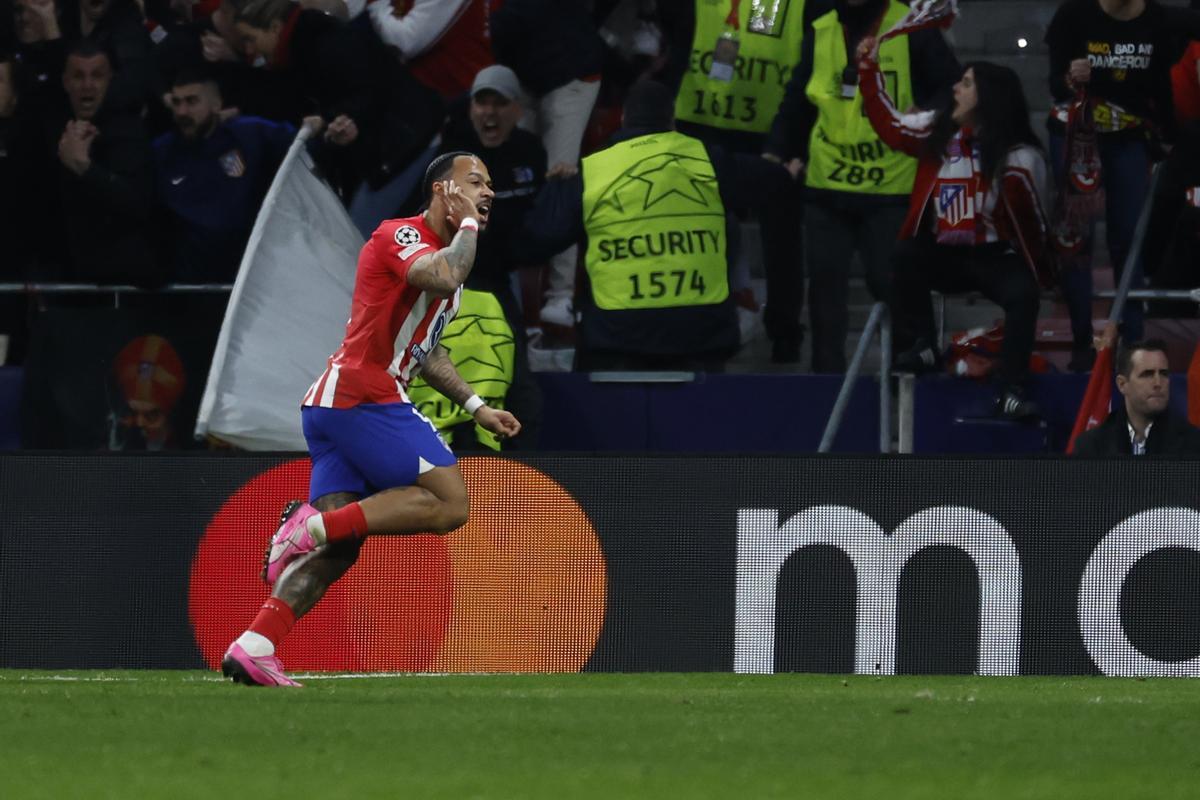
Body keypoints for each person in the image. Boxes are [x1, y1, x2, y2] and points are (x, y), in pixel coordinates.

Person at [221, 151, 521, 687]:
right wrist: (470, 222)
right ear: (440, 192)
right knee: (452, 504)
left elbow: (426, 353)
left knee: (342, 546)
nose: (488, 191)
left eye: (490, 185)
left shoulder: (442, 268)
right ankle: (305, 526)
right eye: (475, 182)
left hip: (339, 405)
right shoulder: (399, 235)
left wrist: (477, 407)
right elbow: (446, 270)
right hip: (363, 395)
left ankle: (254, 645)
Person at [521, 78, 798, 371]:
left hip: (616, 340)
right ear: (672, 120)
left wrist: (554, 189)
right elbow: (770, 182)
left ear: (624, 119)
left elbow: (536, 240)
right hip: (701, 339)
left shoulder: (592, 171)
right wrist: (785, 172)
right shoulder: (708, 159)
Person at [856, 38, 1054, 420]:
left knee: (1024, 295)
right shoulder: (937, 133)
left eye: (965, 83)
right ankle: (925, 345)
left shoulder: (1020, 157)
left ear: (988, 97)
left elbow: (1035, 223)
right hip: (944, 252)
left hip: (993, 255)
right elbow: (889, 124)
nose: (954, 89)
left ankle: (1010, 389)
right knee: (904, 254)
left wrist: (1046, 270)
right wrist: (868, 70)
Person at [764, 0, 959, 372]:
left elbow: (951, 87)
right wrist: (777, 151)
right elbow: (798, 101)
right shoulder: (821, 29)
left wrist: (928, 113)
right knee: (825, 293)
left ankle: (913, 378)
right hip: (828, 183)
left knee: (893, 287)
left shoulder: (910, 26)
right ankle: (827, 386)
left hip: (890, 185)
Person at [1045, 0, 1200, 370]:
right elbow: (1054, 85)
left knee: (1128, 237)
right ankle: (1083, 342)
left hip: (1128, 134)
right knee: (1077, 239)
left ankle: (1134, 342)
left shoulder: (1160, 17)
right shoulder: (1073, 14)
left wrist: (1169, 135)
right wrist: (1070, 78)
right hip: (1075, 133)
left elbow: (1161, 84)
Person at [490, 0, 605, 330]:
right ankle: (510, 288)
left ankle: (561, 295)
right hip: (524, 73)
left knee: (560, 175)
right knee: (511, 175)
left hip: (571, 72)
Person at [152, 69, 295, 283]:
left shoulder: (249, 136)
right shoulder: (162, 152)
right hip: (183, 288)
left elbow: (303, 142)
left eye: (191, 102)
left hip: (246, 281)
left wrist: (324, 132)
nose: (182, 111)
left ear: (216, 104)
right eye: (176, 102)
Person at [55, 40, 159, 284]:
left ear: (111, 79)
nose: (87, 85)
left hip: (124, 285)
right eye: (78, 76)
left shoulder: (131, 134)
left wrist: (85, 168)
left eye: (97, 76)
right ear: (65, 81)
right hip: (64, 282)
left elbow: (140, 206)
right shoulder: (51, 127)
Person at [1072, 339, 1200, 454]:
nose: (1158, 383)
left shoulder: (1194, 442)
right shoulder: (1091, 445)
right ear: (1122, 384)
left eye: (1163, 374)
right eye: (1147, 374)